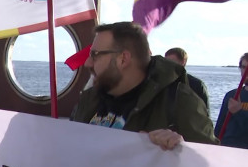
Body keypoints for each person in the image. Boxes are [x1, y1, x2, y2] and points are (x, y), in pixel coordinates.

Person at [70, 22, 218, 149]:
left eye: (95, 54)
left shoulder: (180, 102)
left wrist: (182, 148)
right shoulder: (90, 98)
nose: (88, 63)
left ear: (123, 59)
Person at [214, 53, 248, 149]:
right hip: (226, 150)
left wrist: (239, 112)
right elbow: (219, 128)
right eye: (244, 67)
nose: (246, 71)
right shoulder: (231, 95)